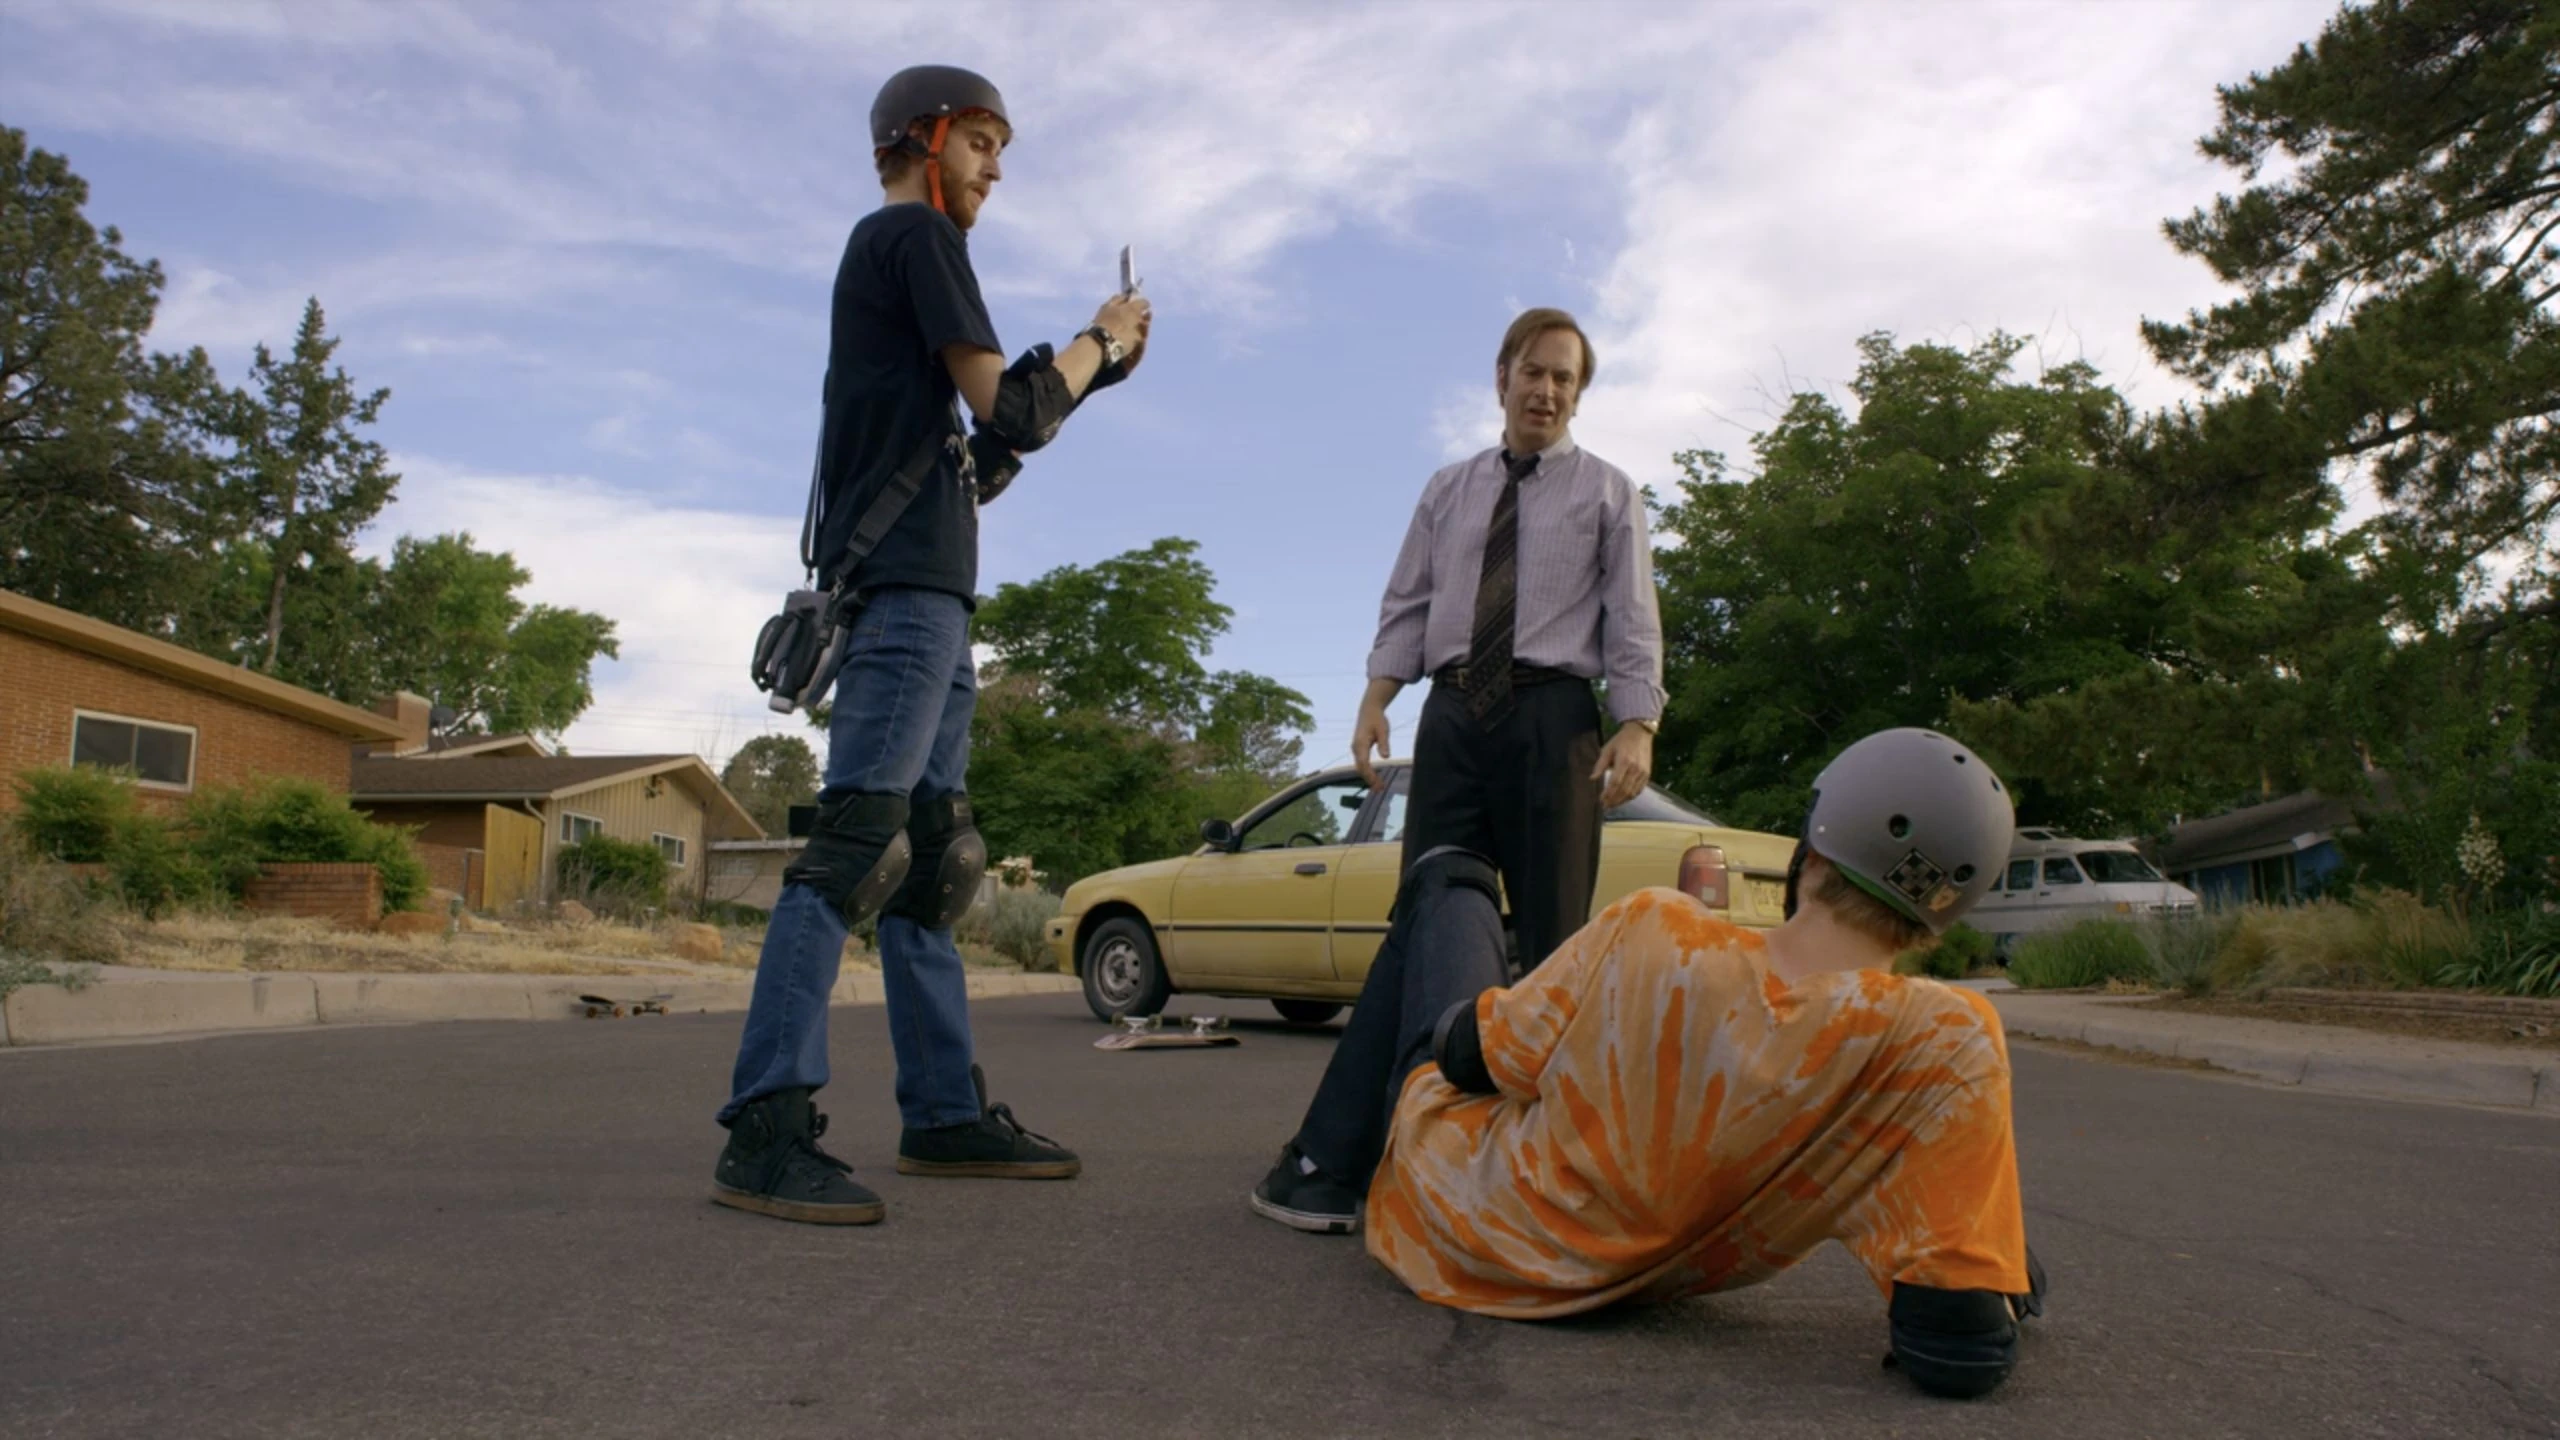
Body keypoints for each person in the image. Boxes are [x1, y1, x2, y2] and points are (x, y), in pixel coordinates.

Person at [1249, 727, 2050, 1399]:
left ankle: (1319, 1166)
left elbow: (1474, 1057)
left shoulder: (1660, 929)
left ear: (1810, 849)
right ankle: (1316, 1165)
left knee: (1451, 879)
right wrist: (1990, 1263)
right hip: (1631, 1279)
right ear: (1942, 917)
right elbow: (1959, 1346)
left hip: (1462, 1223)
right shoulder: (1941, 1040)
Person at [711, 64, 1152, 1227]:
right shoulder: (913, 237)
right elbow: (1014, 410)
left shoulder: (896, 259)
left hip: (933, 600)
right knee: (854, 851)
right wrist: (1097, 341)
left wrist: (1093, 374)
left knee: (933, 862)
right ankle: (763, 1128)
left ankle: (944, 1113)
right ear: (928, 135)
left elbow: (985, 454)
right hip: (906, 601)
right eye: (983, 143)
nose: (996, 169)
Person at [1353, 307, 1664, 974]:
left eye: (1563, 379)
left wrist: (1639, 724)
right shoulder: (1447, 489)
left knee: (1553, 927)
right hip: (1452, 718)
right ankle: (1433, 1042)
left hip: (1553, 725)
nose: (1546, 391)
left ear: (1577, 394)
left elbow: (1632, 614)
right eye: (1533, 372)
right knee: (1430, 909)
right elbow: (1407, 603)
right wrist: (1376, 699)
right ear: (1502, 379)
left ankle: (1545, 1045)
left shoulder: (1609, 492)